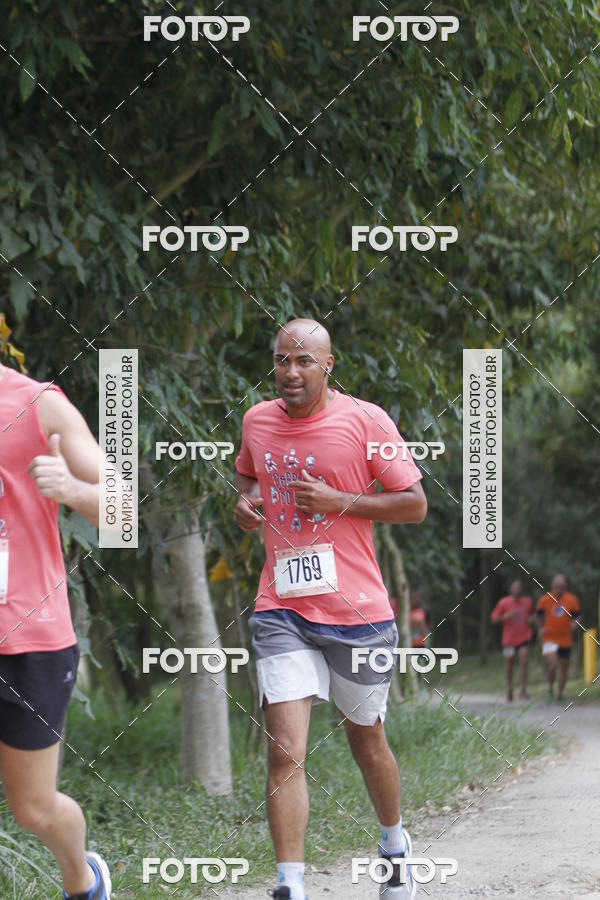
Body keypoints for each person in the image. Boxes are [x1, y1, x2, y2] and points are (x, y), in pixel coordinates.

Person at [233, 319, 427, 900]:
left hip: (357, 614)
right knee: (284, 750)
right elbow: (248, 479)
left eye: (304, 361)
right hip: (282, 608)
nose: (290, 372)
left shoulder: (366, 421)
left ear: (328, 365)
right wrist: (245, 504)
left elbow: (414, 504)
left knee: (366, 741)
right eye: (281, 360)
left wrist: (342, 500)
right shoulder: (256, 420)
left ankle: (394, 844)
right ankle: (290, 885)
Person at [0, 361, 112, 899]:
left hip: (30, 638)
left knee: (33, 808)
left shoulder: (37, 403)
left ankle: (83, 879)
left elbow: (122, 510)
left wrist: (71, 489)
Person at [537, 574, 582, 703]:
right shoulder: (545, 599)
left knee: (564, 667)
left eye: (561, 586)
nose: (559, 588)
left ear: (565, 587)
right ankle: (550, 688)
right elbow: (538, 615)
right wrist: (540, 628)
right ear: (552, 586)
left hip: (565, 639)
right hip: (549, 638)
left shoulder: (571, 599)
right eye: (557, 586)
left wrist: (575, 623)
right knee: (553, 665)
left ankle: (559, 694)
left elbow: (578, 616)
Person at [490, 579, 534, 701]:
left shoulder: (527, 602)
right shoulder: (504, 602)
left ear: (522, 590)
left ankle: (523, 690)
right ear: (511, 590)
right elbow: (493, 618)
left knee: (524, 661)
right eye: (515, 588)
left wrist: (531, 619)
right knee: (509, 665)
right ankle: (509, 690)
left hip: (524, 637)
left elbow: (532, 616)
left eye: (519, 588)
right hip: (509, 640)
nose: (517, 590)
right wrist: (505, 617)